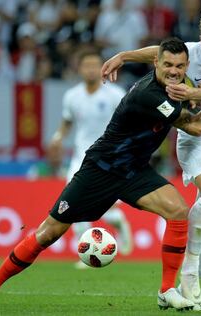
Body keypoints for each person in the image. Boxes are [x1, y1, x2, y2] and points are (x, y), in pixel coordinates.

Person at [0, 37, 201, 311]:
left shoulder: (171, 83)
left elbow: (164, 57)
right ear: (156, 64)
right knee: (48, 233)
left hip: (134, 170)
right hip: (100, 169)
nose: (174, 71)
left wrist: (125, 54)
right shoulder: (150, 95)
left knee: (177, 211)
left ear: (187, 65)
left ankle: (166, 290)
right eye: (167, 65)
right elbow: (196, 128)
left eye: (179, 66)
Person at [101, 11, 201, 310]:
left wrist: (193, 91)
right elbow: (157, 54)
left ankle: (185, 288)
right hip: (196, 138)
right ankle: (188, 274)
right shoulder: (192, 53)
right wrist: (124, 56)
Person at [48, 49, 133, 268]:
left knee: (109, 213)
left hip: (111, 160)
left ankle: (120, 224)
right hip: (81, 160)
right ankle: (87, 255)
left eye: (95, 65)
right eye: (87, 66)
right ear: (80, 68)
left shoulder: (114, 95)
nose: (91, 70)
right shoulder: (72, 96)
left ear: (102, 68)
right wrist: (57, 137)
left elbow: (129, 122)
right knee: (71, 207)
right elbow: (67, 121)